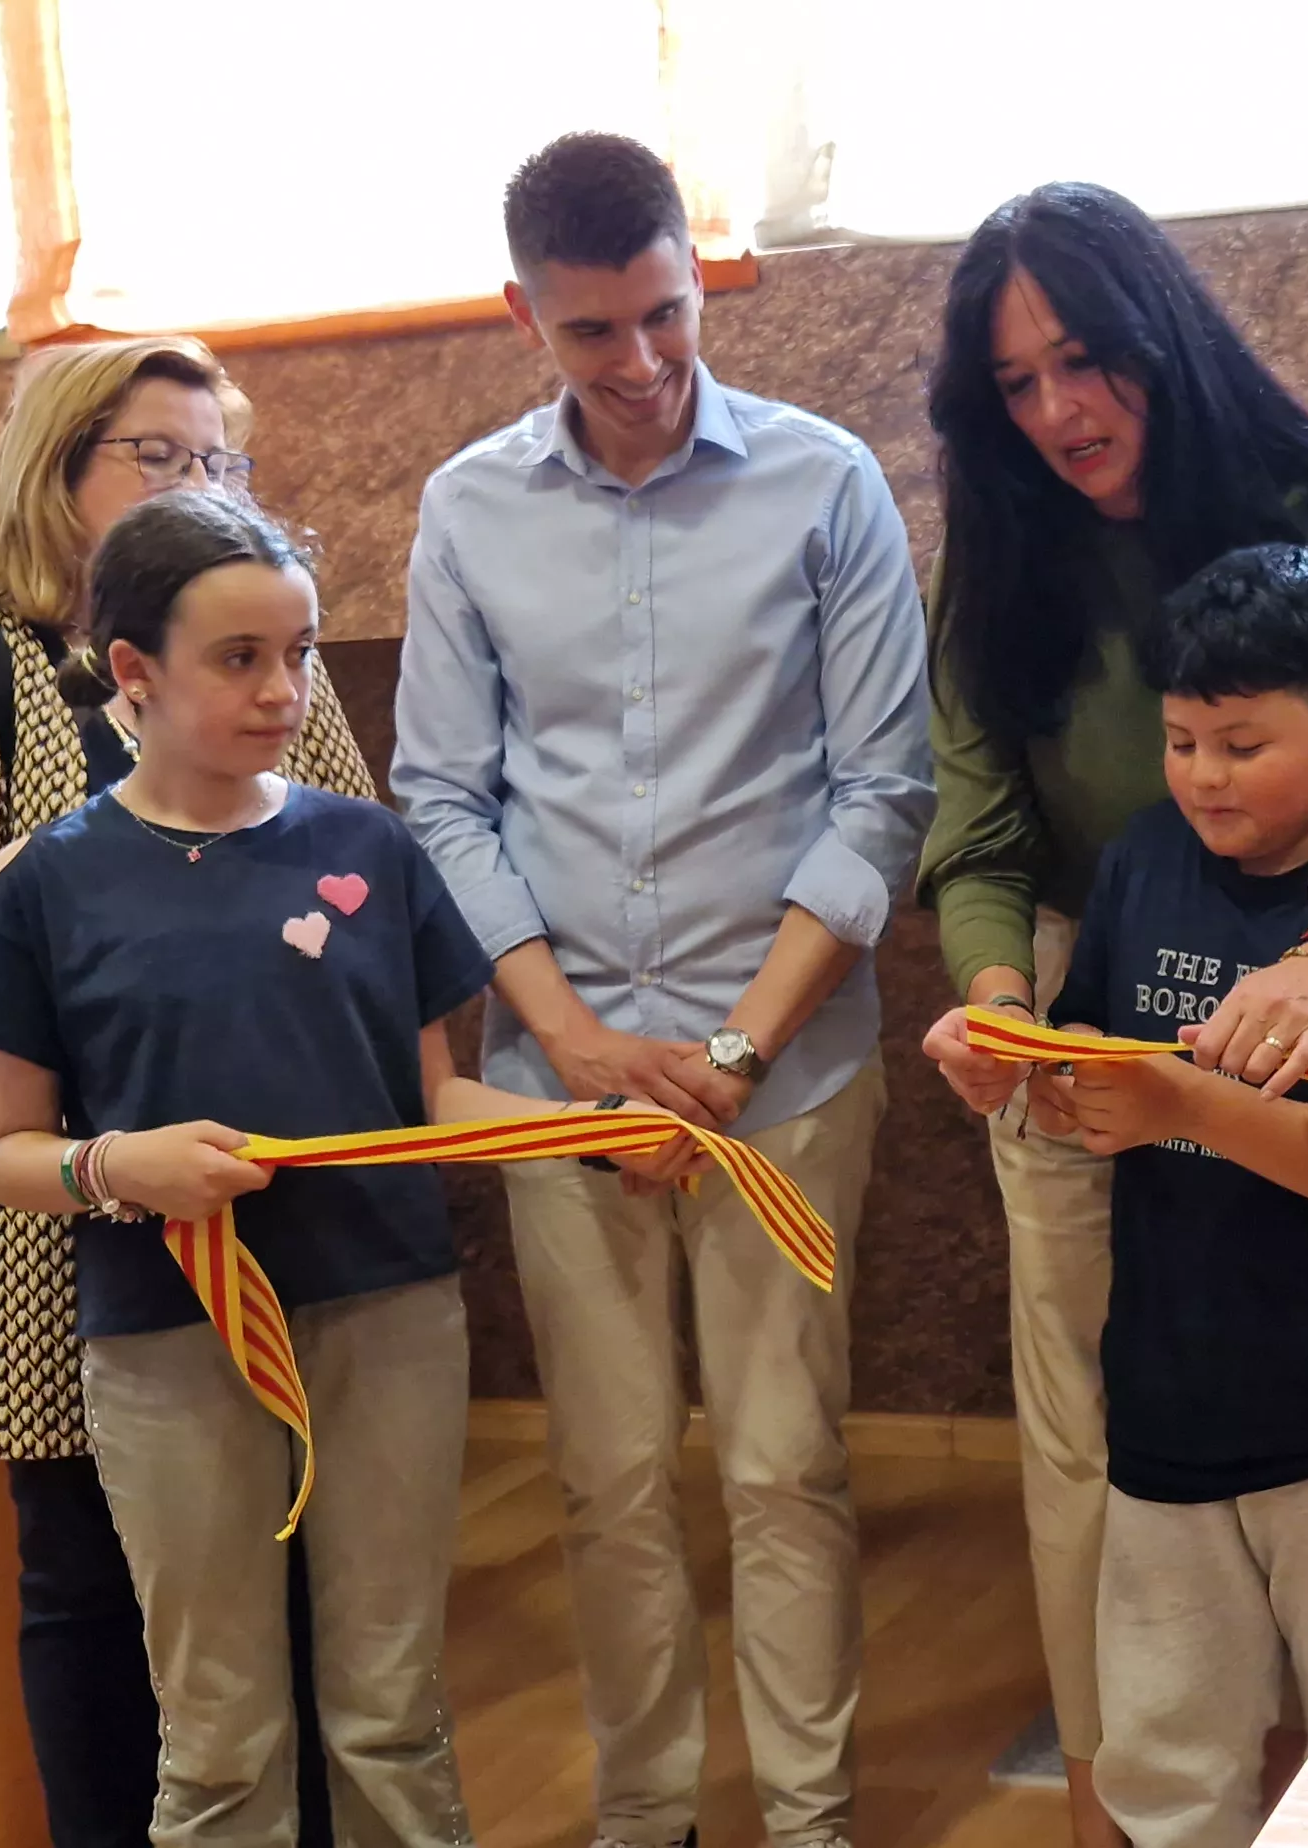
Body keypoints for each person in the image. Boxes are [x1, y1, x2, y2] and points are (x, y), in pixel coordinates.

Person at [906, 182, 1308, 1836]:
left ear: (1164, 338)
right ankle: (1131, 1797)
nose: (1060, 411)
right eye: (1016, 385)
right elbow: (978, 829)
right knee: (1099, 1441)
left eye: (1087, 361)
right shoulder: (1001, 544)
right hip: (1106, 1007)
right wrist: (1002, 1001)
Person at [391, 131, 932, 1848]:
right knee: (607, 1473)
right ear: (522, 316)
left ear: (704, 280)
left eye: (666, 318)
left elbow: (882, 794)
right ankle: (644, 1814)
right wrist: (572, 1044)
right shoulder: (468, 509)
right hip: (560, 1078)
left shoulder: (827, 480)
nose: (639, 368)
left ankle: (811, 1811)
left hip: (783, 1059)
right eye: (591, 335)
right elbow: (443, 797)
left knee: (785, 1459)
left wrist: (723, 1048)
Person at [0, 491, 564, 1844]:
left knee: (390, 1708)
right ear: (133, 673)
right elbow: (5, 1154)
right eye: (240, 659)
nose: (283, 690)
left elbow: (439, 1095)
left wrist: (579, 1141)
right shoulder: (51, 884)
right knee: (220, 1729)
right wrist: (122, 1166)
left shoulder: (368, 848)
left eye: (298, 653)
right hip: (172, 1337)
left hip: (388, 1312)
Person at [0, 336, 379, 1847]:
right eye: (154, 455)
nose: (193, 484)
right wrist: (119, 854)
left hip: (255, 1157)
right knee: (89, 1579)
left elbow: (349, 847)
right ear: (56, 466)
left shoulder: (268, 644)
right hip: (54, 1173)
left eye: (218, 460)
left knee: (284, 1553)